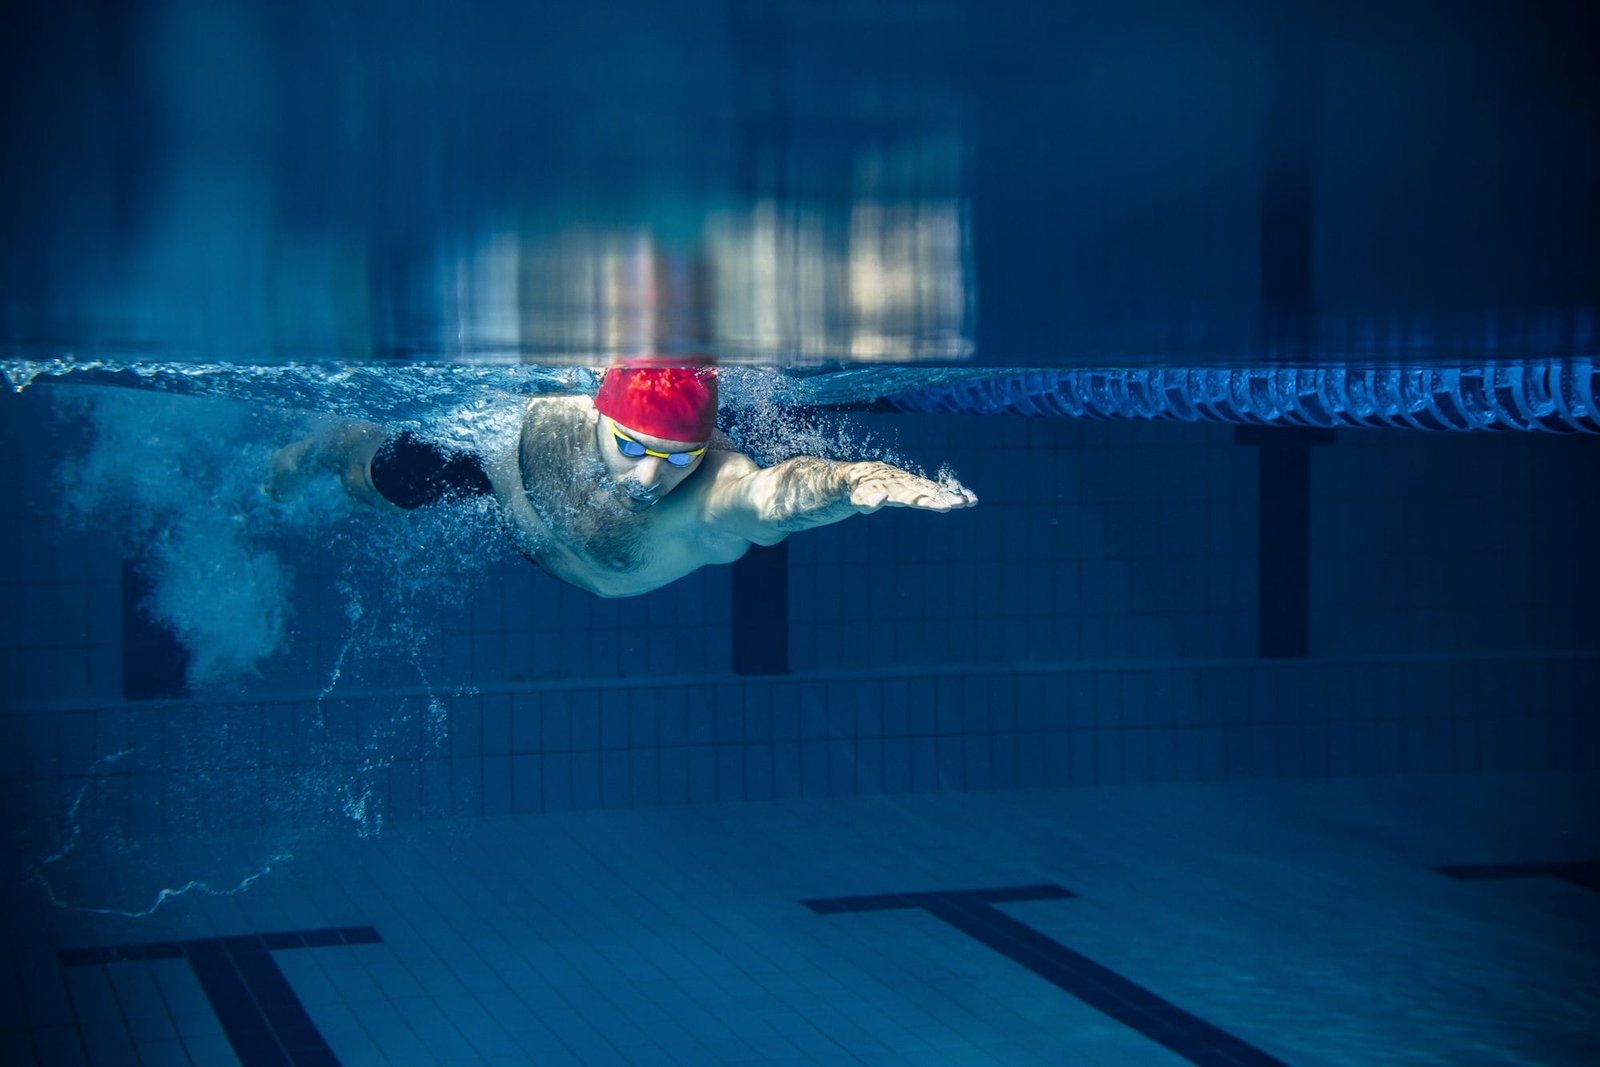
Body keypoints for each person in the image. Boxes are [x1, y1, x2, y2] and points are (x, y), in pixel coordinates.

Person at [265, 366, 977, 597]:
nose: (649, 477)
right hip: (498, 478)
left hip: (540, 537)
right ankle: (317, 452)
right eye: (633, 445)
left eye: (677, 457)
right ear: (597, 413)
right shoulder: (547, 404)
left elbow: (770, 498)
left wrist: (851, 482)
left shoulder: (711, 490)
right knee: (381, 478)